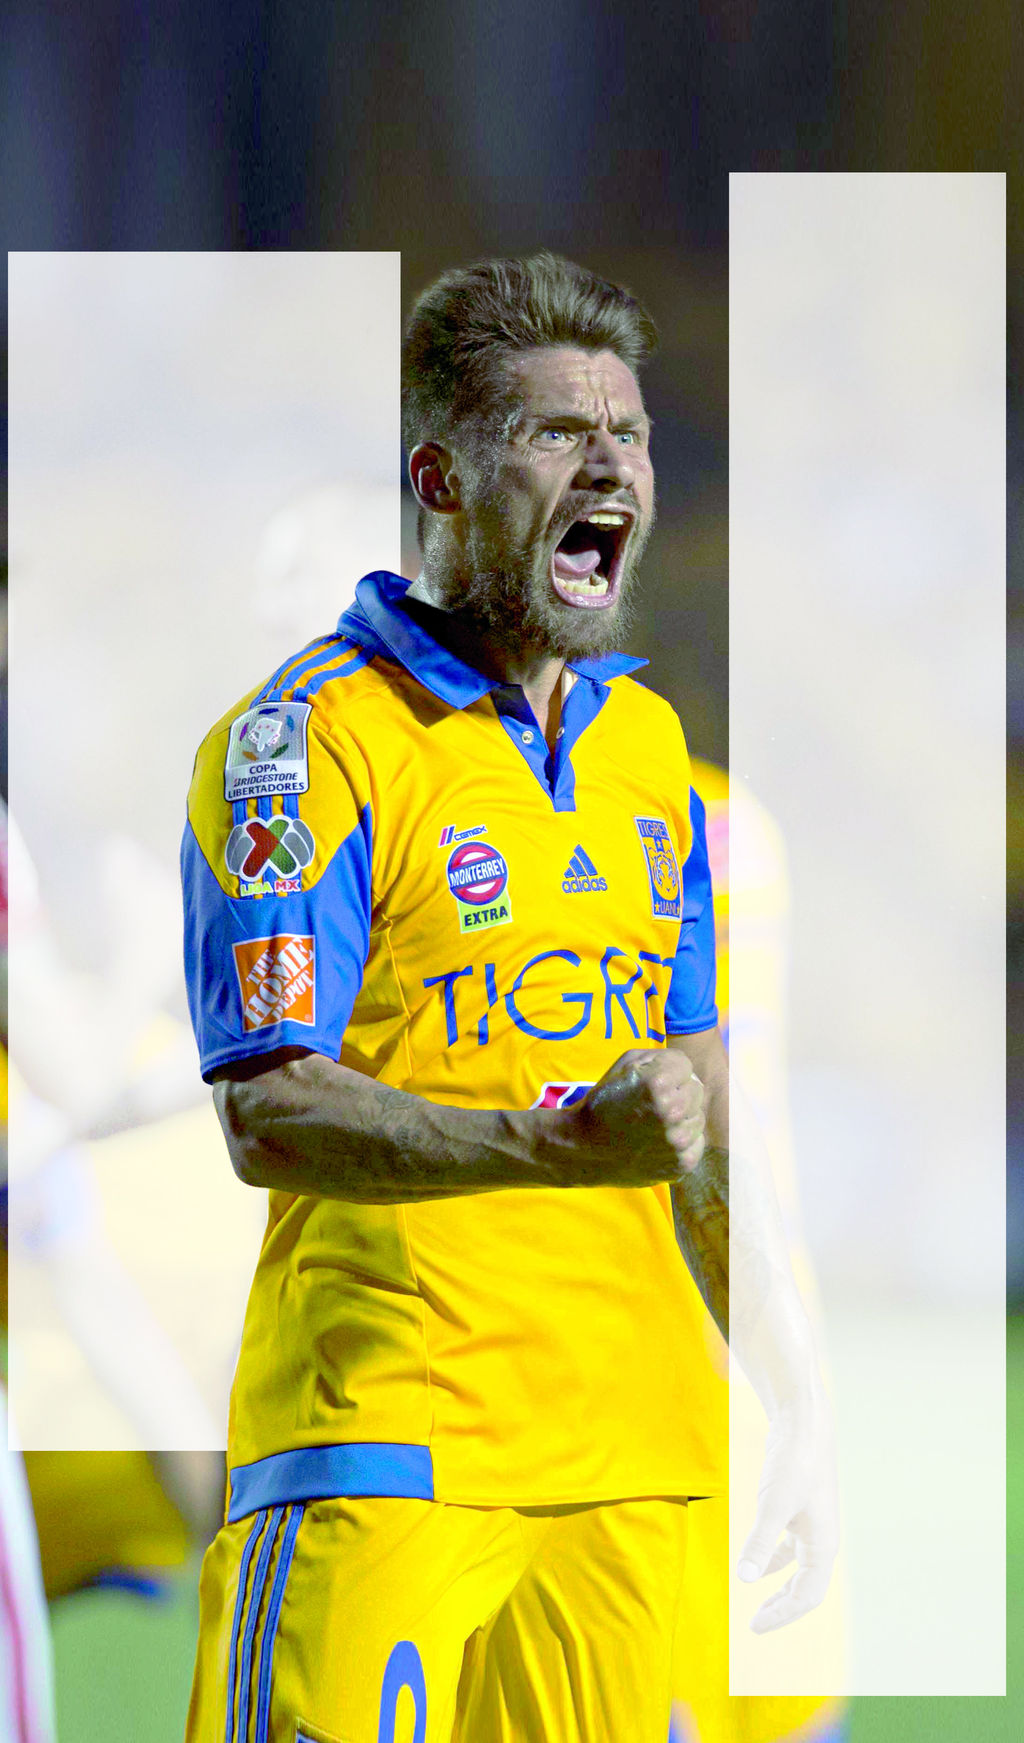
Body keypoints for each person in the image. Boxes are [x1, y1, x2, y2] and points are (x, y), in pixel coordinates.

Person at [181, 253, 836, 1743]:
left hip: (627, 1457)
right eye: (555, 433)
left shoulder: (647, 748)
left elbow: (695, 1080)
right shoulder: (304, 747)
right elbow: (269, 1107)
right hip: (391, 1446)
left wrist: (783, 1372)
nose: (611, 465)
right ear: (442, 480)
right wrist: (553, 1151)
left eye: (630, 434)